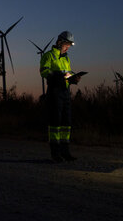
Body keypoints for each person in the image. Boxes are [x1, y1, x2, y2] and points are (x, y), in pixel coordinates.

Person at [40, 31, 82, 162]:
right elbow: (44, 71)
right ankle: (55, 153)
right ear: (60, 42)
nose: (68, 47)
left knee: (66, 123)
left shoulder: (66, 58)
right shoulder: (48, 55)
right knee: (55, 123)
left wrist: (74, 78)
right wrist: (57, 75)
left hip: (65, 92)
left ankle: (66, 152)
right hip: (54, 92)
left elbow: (68, 74)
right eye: (67, 44)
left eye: (70, 45)